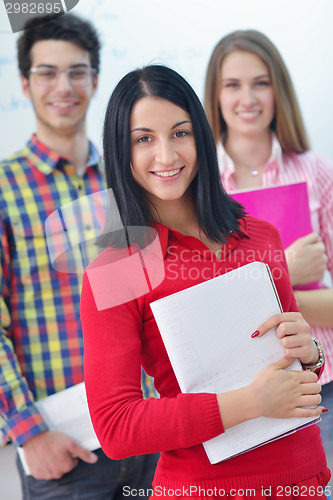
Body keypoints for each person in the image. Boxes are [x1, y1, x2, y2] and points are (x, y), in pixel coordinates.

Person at [80, 64, 330, 499]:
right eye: (144, 139)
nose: (166, 155)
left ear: (200, 136)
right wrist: (251, 403)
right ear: (121, 152)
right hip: (202, 488)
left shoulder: (261, 235)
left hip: (303, 478)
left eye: (180, 133)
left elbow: (299, 374)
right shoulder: (116, 268)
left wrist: (310, 352)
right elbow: (116, 426)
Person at [0, 13, 158, 500]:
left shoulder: (132, 177)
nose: (63, 85)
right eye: (47, 72)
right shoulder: (4, 189)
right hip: (66, 451)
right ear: (25, 84)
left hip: (153, 434)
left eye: (77, 71)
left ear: (95, 80)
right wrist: (29, 432)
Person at [204, 29, 333, 487]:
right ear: (214, 96)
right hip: (237, 398)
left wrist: (275, 289)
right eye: (232, 84)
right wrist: (287, 274)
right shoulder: (200, 189)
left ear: (278, 88)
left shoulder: (315, 170)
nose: (248, 98)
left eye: (260, 82)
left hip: (320, 384)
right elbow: (204, 311)